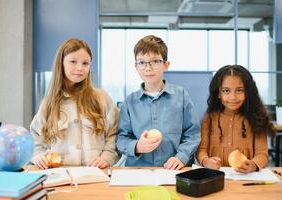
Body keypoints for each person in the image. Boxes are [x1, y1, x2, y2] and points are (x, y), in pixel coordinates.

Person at [31, 38, 119, 169]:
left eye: (85, 63)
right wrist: (38, 156)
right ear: (61, 63)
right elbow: (36, 139)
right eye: (73, 62)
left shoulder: (102, 98)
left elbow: (115, 132)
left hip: (97, 175)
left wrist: (107, 157)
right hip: (60, 175)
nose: (80, 68)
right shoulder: (49, 103)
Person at [117, 35, 200, 170]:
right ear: (136, 66)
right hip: (138, 171)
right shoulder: (129, 102)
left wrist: (181, 157)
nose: (148, 68)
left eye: (155, 61)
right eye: (142, 62)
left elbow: (192, 133)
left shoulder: (181, 96)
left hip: (173, 170)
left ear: (166, 65)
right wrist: (137, 146)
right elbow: (121, 138)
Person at [196, 65, 275, 173]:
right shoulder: (208, 119)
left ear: (248, 92)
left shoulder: (256, 119)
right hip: (214, 177)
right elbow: (201, 150)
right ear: (218, 93)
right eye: (226, 91)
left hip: (246, 179)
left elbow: (262, 154)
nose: (233, 97)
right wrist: (206, 161)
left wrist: (253, 165)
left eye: (239, 90)